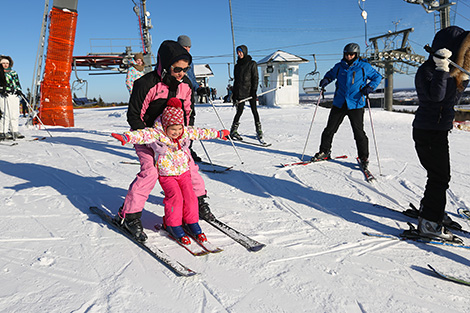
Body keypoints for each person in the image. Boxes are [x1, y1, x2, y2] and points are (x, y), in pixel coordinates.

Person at [118, 40, 215, 242]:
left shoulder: (185, 85)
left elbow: (188, 114)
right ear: (164, 65)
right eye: (177, 69)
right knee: (150, 173)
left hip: (174, 139)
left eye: (185, 69)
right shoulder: (146, 84)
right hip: (147, 136)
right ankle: (130, 216)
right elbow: (134, 116)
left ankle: (197, 204)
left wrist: (183, 137)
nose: (181, 73)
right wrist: (152, 141)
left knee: (190, 169)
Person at [112, 98, 230, 243]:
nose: (177, 132)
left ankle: (191, 222)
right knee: (176, 198)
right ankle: (172, 225)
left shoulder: (184, 132)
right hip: (167, 175)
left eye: (179, 128)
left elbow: (200, 132)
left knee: (190, 197)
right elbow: (142, 135)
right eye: (173, 129)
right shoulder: (157, 133)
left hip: (184, 173)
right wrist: (126, 137)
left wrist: (218, 134)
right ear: (165, 126)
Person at [413, 26, 470, 241]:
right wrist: (441, 69)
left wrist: (462, 79)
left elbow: (450, 100)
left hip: (438, 131)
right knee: (439, 177)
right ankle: (429, 222)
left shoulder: (451, 72)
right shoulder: (426, 71)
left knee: (438, 176)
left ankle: (432, 210)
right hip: (427, 132)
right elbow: (436, 97)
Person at [311, 43, 382, 169]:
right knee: (329, 129)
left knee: (358, 132)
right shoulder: (340, 67)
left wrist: (370, 87)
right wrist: (326, 80)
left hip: (356, 103)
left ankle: (363, 157)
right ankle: (324, 152)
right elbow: (330, 74)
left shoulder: (364, 66)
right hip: (340, 102)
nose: (348, 56)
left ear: (356, 55)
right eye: (346, 54)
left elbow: (377, 76)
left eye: (351, 54)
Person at [177, 35, 206, 162]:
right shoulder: (171, 59)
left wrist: (198, 88)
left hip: (189, 95)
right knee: (176, 122)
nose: (187, 49)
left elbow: (192, 78)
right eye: (185, 47)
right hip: (176, 95)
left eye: (189, 47)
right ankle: (175, 148)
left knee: (190, 122)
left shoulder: (190, 60)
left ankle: (188, 148)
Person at [229, 45, 262, 141]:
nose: (239, 54)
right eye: (237, 52)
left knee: (254, 111)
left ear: (245, 52)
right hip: (240, 92)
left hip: (250, 92)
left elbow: (255, 78)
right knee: (239, 112)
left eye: (240, 52)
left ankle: (259, 130)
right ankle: (233, 130)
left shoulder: (252, 64)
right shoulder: (237, 66)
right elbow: (236, 81)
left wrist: (254, 91)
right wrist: (234, 94)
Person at [0, 55, 24, 140]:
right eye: (3, 63)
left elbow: (17, 83)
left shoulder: (13, 73)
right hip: (4, 95)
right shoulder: (1, 72)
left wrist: (19, 90)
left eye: (7, 63)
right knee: (6, 113)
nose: (5, 65)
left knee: (15, 113)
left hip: (14, 95)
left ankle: (14, 130)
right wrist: (1, 89)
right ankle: (3, 131)